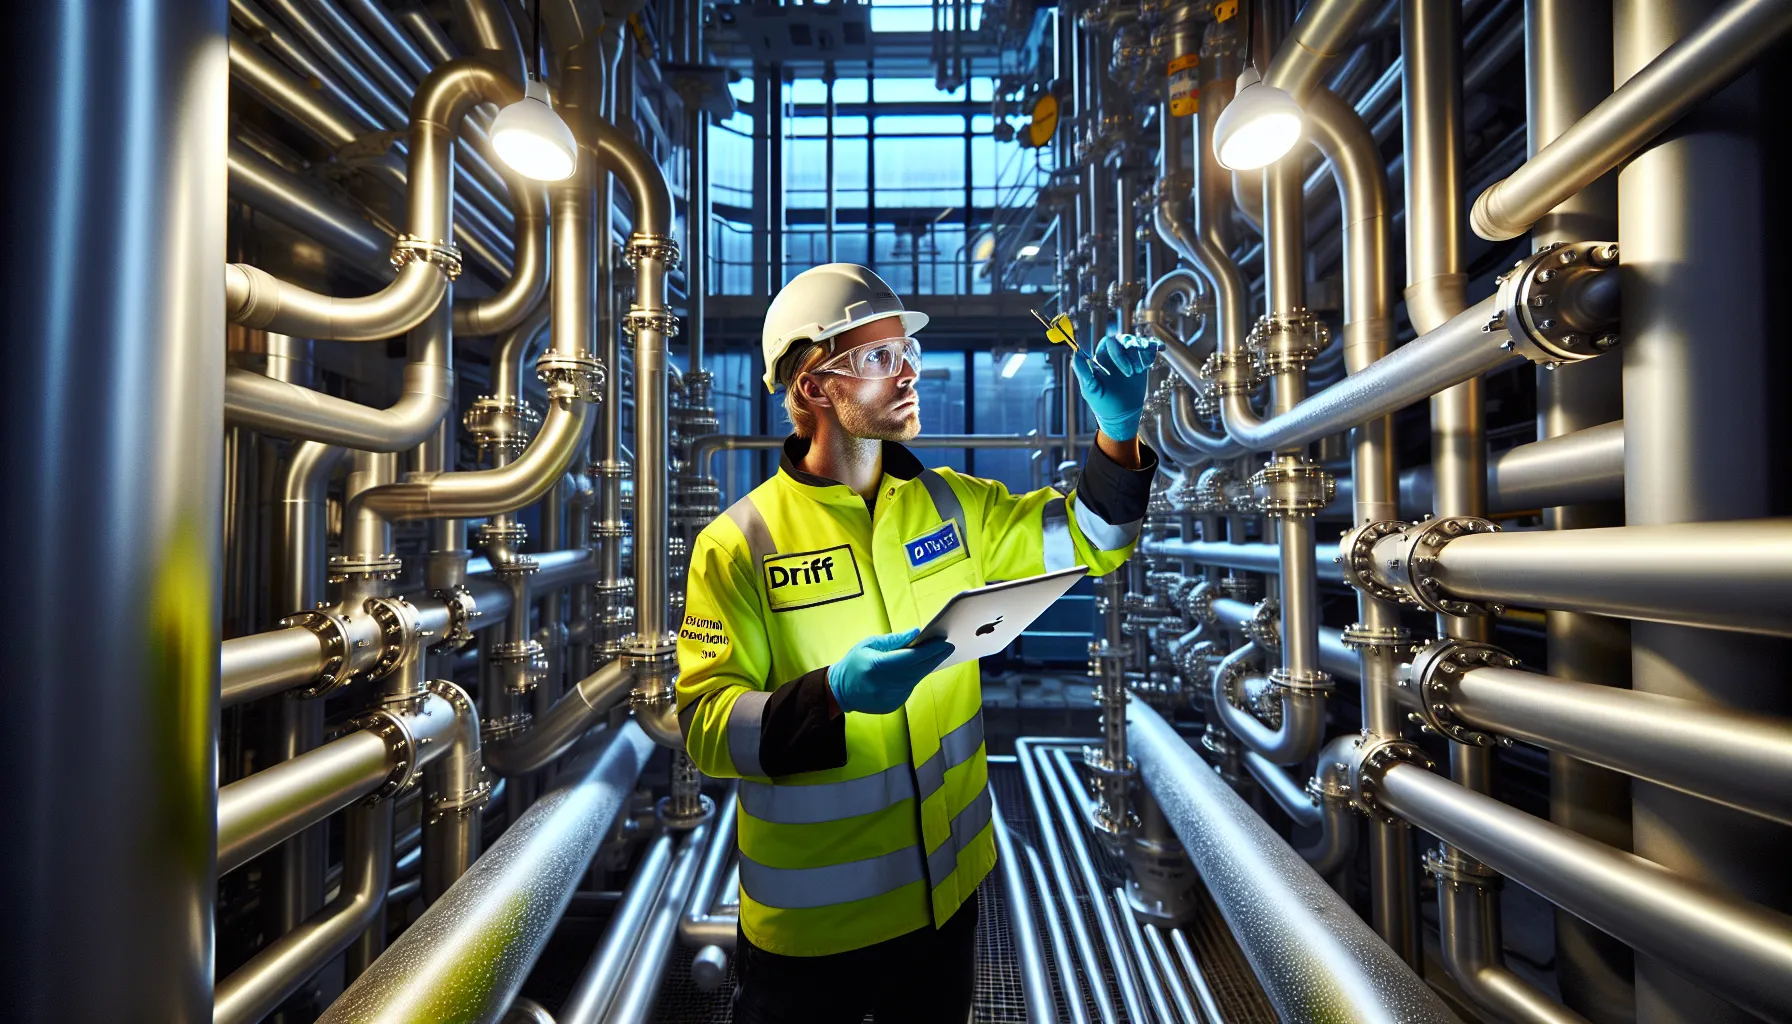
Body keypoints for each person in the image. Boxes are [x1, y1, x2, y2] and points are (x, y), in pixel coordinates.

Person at [675, 263, 1161, 1022]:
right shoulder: (738, 544)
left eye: (909, 354)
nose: (908, 375)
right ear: (812, 388)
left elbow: (1097, 539)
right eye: (879, 359)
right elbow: (706, 729)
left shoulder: (954, 505)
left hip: (948, 900)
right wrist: (830, 695)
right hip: (812, 934)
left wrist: (1118, 437)